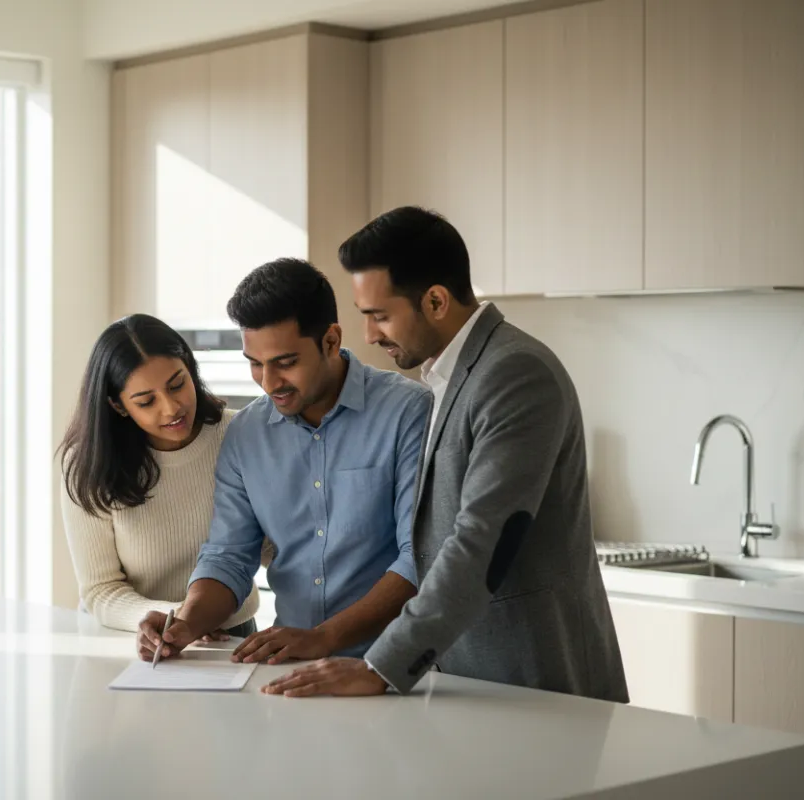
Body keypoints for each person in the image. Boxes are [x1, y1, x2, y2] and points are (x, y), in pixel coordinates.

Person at [263, 207, 629, 701]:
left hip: (535, 679)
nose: (369, 334)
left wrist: (379, 667)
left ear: (435, 300)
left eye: (380, 315)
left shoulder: (514, 373)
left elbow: (484, 540)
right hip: (468, 681)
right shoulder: (448, 378)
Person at [137, 258, 431, 665]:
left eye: (285, 362)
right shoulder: (246, 434)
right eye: (255, 363)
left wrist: (323, 638)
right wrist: (186, 623)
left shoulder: (408, 413)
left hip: (392, 666)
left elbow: (419, 556)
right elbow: (229, 556)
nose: (268, 382)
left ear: (330, 340)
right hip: (292, 665)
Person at [59, 314, 260, 635]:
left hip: (228, 633)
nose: (171, 408)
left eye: (177, 384)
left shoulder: (239, 435)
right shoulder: (87, 463)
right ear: (118, 405)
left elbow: (270, 548)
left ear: (191, 370)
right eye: (146, 401)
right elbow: (100, 590)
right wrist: (181, 619)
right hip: (127, 635)